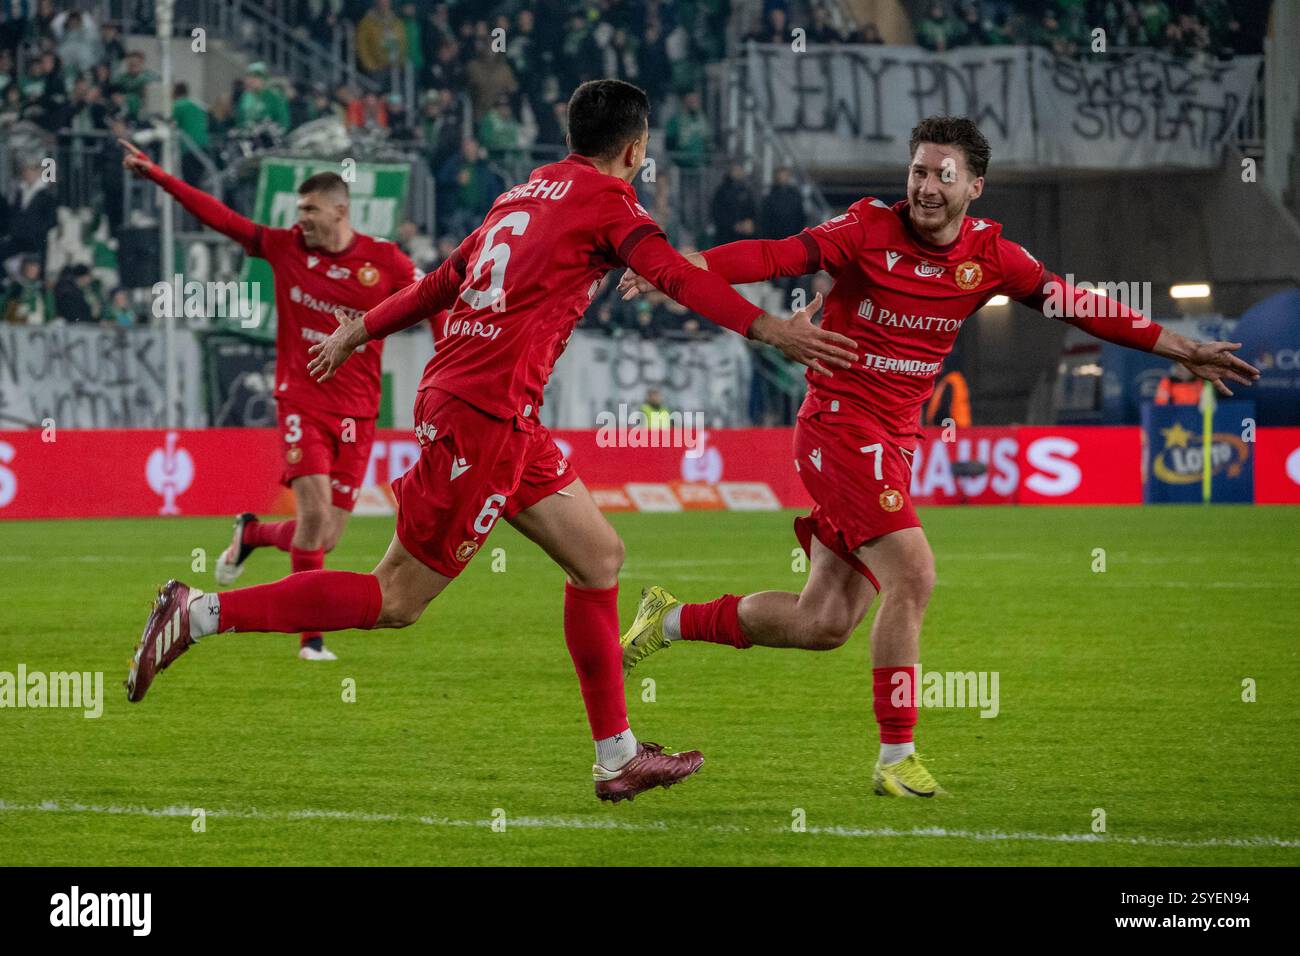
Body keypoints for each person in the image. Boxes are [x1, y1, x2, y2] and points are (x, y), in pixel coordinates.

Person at [124, 79, 857, 804]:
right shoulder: (610, 202)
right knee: (395, 599)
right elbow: (667, 271)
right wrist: (772, 328)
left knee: (599, 557)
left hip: (494, 412)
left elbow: (445, 278)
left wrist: (359, 326)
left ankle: (617, 758)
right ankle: (197, 613)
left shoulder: (524, 193)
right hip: (484, 416)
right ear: (636, 148)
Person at [616, 115, 1259, 798]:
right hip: (836, 427)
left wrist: (1177, 345)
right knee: (914, 573)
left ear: (974, 185)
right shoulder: (865, 230)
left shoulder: (993, 257)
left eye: (941, 174)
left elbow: (1078, 305)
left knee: (823, 623)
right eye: (918, 171)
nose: (924, 186)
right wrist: (681, 270)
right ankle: (896, 759)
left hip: (894, 445)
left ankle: (671, 619)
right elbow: (775, 256)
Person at [119, 140, 417, 661]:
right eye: (297, 210)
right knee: (313, 514)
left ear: (340, 210)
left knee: (327, 538)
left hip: (359, 411)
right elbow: (223, 219)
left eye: (309, 210)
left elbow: (431, 296)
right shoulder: (284, 248)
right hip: (301, 399)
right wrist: (160, 177)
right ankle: (312, 640)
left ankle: (251, 531)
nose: (299, 219)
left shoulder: (385, 261)